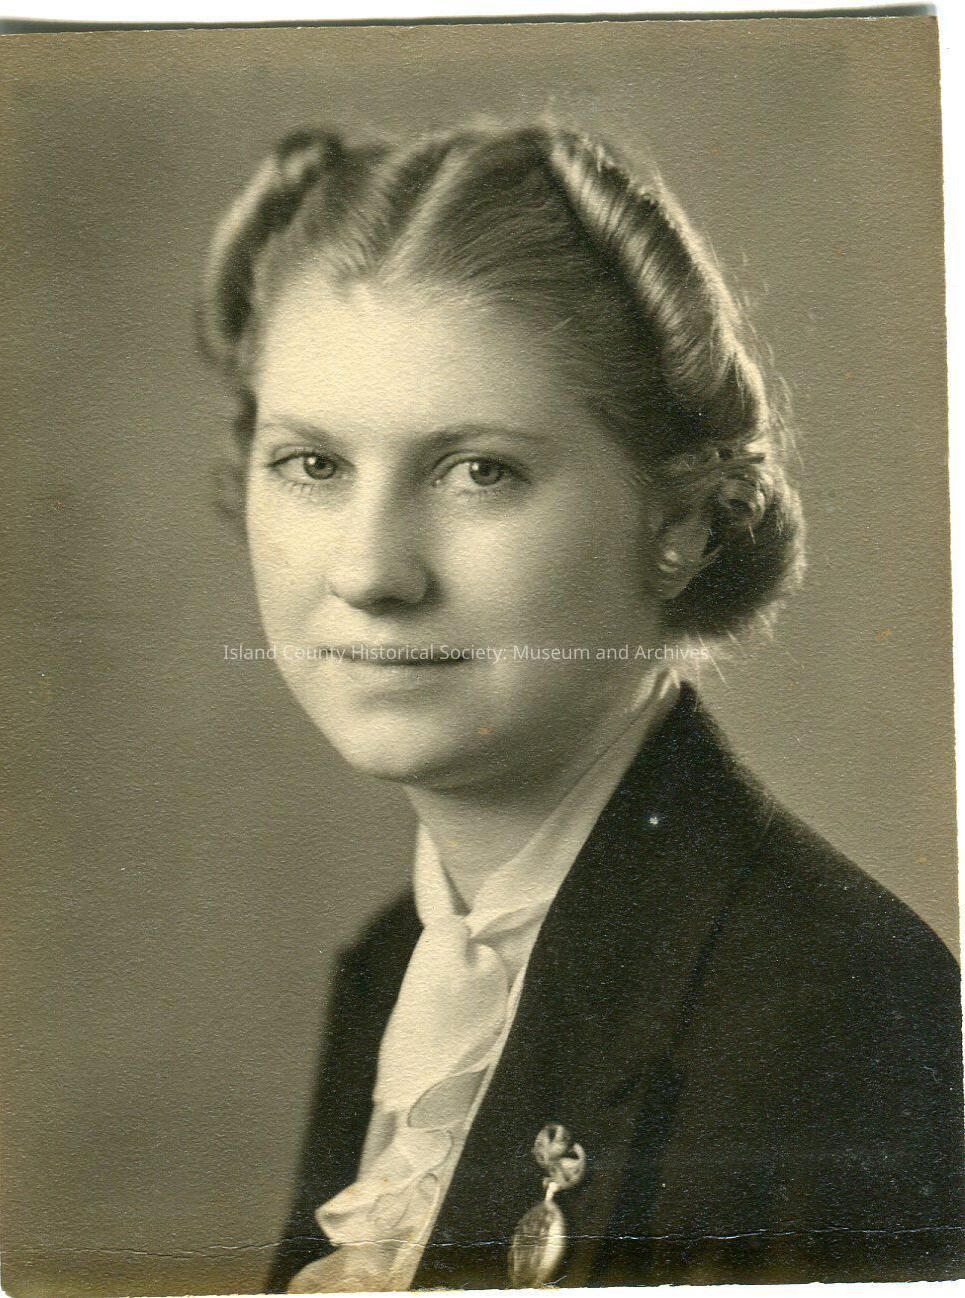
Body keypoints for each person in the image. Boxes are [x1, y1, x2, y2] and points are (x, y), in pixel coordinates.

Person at [197, 122, 964, 1291]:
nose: (369, 571)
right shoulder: (394, 966)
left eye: (479, 470)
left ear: (679, 520)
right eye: (313, 464)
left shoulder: (830, 1009)